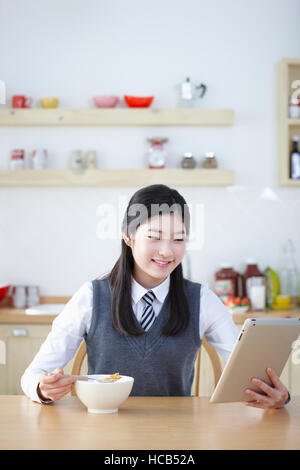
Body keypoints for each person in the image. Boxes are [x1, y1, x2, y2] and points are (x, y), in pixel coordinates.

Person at [21, 184, 290, 409]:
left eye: (178, 239)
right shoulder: (91, 296)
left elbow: (244, 368)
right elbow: (32, 375)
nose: (166, 251)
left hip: (179, 435)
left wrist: (279, 397)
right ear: (128, 237)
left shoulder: (202, 299)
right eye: (155, 237)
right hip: (103, 431)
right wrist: (43, 389)